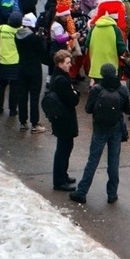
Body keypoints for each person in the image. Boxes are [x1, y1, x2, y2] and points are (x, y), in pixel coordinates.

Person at [70, 63, 130, 204]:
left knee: (93, 161)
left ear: (102, 74)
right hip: (116, 129)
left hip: (99, 129)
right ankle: (112, 194)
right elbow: (128, 109)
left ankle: (82, 192)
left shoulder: (97, 89)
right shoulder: (122, 89)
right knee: (113, 162)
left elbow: (88, 109)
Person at [48, 50, 81, 192]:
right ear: (60, 64)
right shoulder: (61, 80)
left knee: (65, 148)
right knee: (63, 150)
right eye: (67, 63)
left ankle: (63, 175)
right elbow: (72, 99)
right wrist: (75, 93)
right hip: (64, 119)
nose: (70, 65)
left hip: (62, 118)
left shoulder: (59, 76)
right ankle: (59, 181)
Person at [15, 12, 47, 133]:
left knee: (22, 96)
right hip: (34, 69)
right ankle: (35, 123)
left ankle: (23, 122)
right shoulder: (35, 38)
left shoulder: (17, 36)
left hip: (21, 67)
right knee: (34, 97)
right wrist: (41, 38)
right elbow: (42, 51)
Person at [0, 11, 23, 116]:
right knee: (14, 88)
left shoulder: (1, 28)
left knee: (1, 86)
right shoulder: (20, 31)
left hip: (2, 61)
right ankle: (12, 109)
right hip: (15, 62)